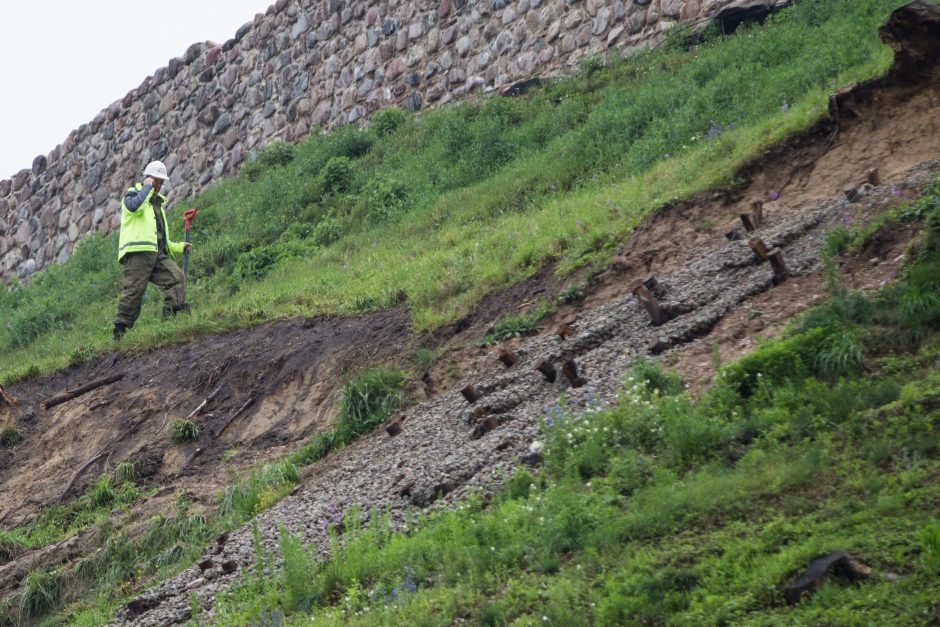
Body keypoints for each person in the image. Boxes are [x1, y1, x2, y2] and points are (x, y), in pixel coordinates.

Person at [112, 160, 191, 340]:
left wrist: (179, 247)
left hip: (157, 254)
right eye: (157, 181)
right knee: (133, 293)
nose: (159, 185)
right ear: (148, 178)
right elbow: (134, 207)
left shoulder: (158, 206)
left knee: (176, 278)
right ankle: (119, 333)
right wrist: (146, 189)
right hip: (137, 253)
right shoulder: (132, 195)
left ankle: (169, 323)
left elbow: (160, 237)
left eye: (161, 182)